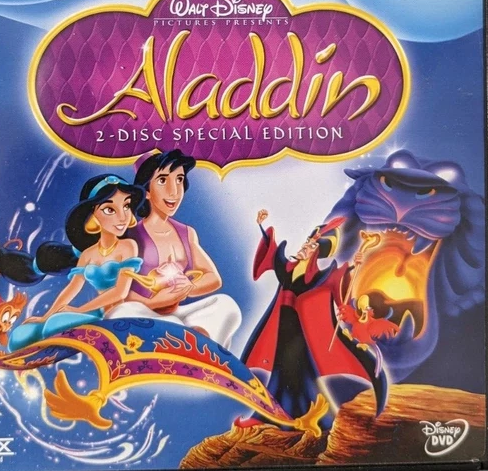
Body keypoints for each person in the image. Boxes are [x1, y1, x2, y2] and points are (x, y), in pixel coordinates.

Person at [237, 210, 386, 429]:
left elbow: (340, 285)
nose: (305, 246)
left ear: (317, 253)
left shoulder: (321, 277)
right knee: (279, 375)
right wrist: (262, 227)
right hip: (281, 331)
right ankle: (267, 417)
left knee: (301, 376)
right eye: (307, 242)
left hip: (302, 335)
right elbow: (273, 254)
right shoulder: (288, 269)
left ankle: (315, 420)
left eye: (312, 245)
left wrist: (354, 265)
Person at [0, 174, 147, 352]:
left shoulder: (128, 247)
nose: (122, 217)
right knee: (23, 333)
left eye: (126, 206)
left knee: (54, 324)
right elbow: (72, 288)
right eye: (110, 210)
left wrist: (79, 310)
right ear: (92, 215)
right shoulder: (88, 254)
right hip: (98, 312)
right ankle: (31, 343)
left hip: (121, 313)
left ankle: (47, 341)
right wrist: (46, 316)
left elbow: (120, 292)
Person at [105, 150, 242, 349]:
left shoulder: (186, 233)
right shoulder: (128, 235)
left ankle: (198, 346)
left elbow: (213, 278)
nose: (174, 191)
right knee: (124, 312)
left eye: (179, 179)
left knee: (226, 306)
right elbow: (115, 292)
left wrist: (189, 287)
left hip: (177, 314)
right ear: (146, 191)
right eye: (162, 180)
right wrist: (154, 302)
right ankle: (191, 343)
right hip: (142, 314)